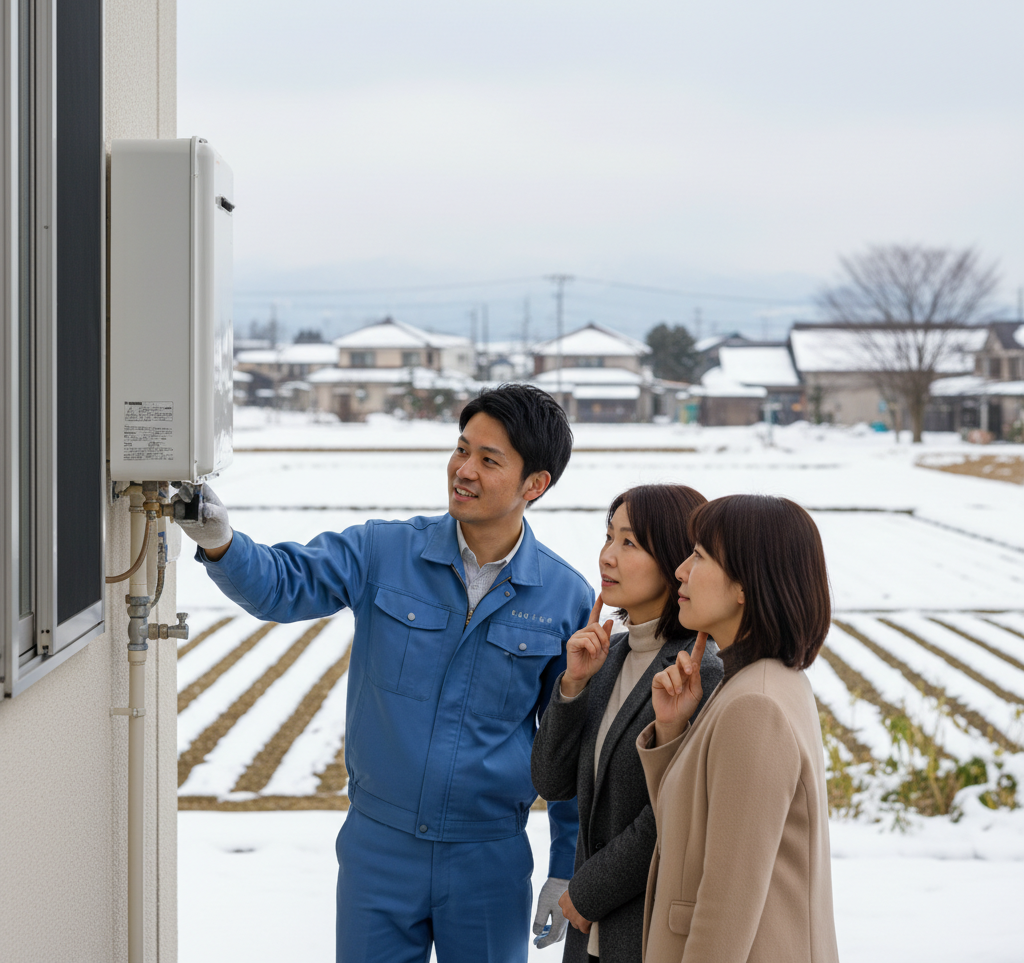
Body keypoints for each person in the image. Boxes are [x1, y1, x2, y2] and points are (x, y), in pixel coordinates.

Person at [174, 385, 593, 963]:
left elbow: (569, 747)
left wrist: (567, 866)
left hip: (488, 857)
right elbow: (282, 584)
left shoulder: (565, 598)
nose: (463, 470)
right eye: (461, 448)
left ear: (535, 484)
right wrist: (221, 544)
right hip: (380, 847)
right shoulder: (383, 551)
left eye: (488, 460)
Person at [637, 494, 840, 963]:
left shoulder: (755, 705)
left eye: (700, 556)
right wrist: (673, 730)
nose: (681, 571)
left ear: (745, 585)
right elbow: (690, 834)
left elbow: (725, 905)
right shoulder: (760, 683)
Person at [530, 484, 724, 963]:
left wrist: (586, 891)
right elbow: (551, 783)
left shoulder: (697, 674)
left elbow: (672, 813)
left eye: (629, 543)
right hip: (588, 938)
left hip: (645, 935)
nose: (607, 557)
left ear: (676, 560)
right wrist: (572, 687)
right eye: (608, 537)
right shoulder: (608, 656)